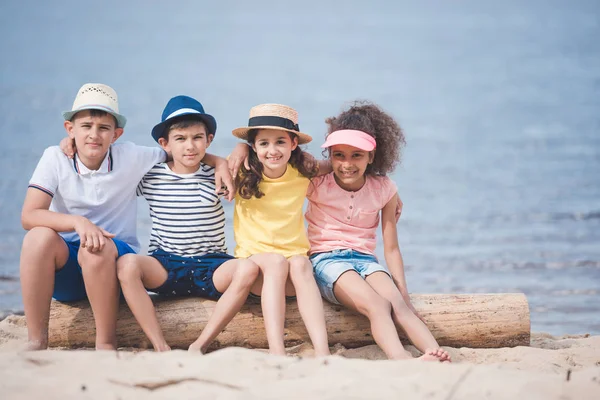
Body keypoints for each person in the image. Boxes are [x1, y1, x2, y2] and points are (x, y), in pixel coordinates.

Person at [21, 84, 232, 351]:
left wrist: (222, 162)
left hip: (112, 265)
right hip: (69, 269)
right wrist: (78, 222)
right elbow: (30, 215)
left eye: (103, 128)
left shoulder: (131, 156)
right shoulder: (54, 157)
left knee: (94, 247)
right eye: (85, 126)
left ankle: (106, 343)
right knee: (38, 237)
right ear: (69, 129)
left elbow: (183, 151)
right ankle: (36, 341)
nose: (94, 135)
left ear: (116, 134)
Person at [305, 101, 451, 361]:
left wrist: (403, 291)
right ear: (329, 156)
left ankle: (434, 352)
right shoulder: (316, 183)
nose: (347, 164)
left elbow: (391, 247)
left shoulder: (384, 188)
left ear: (371, 156)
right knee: (377, 305)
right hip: (326, 260)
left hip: (365, 260)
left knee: (398, 305)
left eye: (356, 155)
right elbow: (285, 170)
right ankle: (401, 359)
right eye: (339, 155)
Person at [116, 95, 260, 353]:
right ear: (165, 144)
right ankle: (160, 345)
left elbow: (259, 157)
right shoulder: (150, 175)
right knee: (127, 264)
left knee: (247, 269)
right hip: (165, 264)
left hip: (211, 265)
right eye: (180, 139)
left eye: (197, 138)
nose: (190, 146)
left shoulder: (219, 174)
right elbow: (109, 164)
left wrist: (239, 150)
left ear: (209, 140)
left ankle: (200, 344)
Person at [230, 104, 330, 357]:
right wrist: (239, 147)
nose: (272, 151)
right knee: (276, 263)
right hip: (257, 272)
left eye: (280, 142)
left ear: (294, 144)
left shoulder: (304, 171)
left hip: (294, 279)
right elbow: (202, 161)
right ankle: (277, 351)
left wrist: (387, 191)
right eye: (263, 143)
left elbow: (345, 165)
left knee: (301, 263)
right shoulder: (242, 171)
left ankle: (323, 351)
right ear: (254, 147)